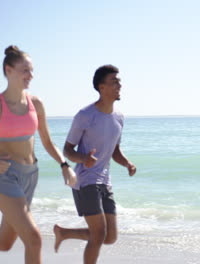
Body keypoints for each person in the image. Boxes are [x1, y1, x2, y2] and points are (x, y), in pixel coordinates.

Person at [0, 45, 77, 264]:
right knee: (34, 239)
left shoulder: (36, 104)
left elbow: (47, 141)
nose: (31, 75)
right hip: (5, 177)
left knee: (4, 242)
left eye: (32, 70)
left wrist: (64, 165)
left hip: (30, 176)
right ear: (9, 70)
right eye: (25, 70)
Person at [53, 64, 136, 264]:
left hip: (104, 181)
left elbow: (114, 150)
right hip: (85, 180)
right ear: (101, 87)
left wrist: (127, 163)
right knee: (98, 234)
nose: (119, 85)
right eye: (114, 81)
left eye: (119, 81)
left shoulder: (119, 118)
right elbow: (67, 150)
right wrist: (84, 159)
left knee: (110, 236)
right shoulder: (85, 115)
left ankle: (64, 233)